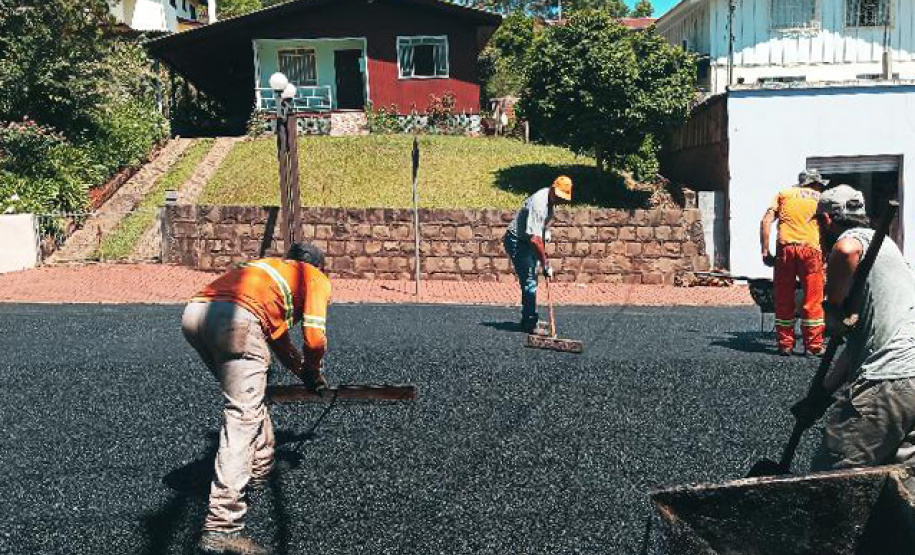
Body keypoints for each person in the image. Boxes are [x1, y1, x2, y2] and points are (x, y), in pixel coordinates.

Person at [182, 242, 331, 555]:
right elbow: (314, 337)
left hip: (196, 315)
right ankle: (222, 527)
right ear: (318, 265)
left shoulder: (267, 269)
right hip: (236, 321)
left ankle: (256, 472)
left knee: (249, 406)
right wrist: (313, 371)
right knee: (242, 416)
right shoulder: (313, 277)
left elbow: (277, 339)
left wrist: (299, 371)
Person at [792, 185, 915, 473]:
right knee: (900, 475)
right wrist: (821, 395)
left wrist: (833, 303)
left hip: (889, 377)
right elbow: (859, 345)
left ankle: (828, 518)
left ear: (825, 221)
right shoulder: (886, 247)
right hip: (910, 373)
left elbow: (846, 249)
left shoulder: (852, 241)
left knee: (835, 470)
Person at [759, 169, 828, 356]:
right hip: (811, 251)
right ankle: (813, 347)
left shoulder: (783, 194)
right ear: (814, 183)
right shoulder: (820, 198)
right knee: (813, 300)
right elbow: (827, 228)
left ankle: (785, 345)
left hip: (786, 249)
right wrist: (828, 257)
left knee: (784, 298)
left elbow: (766, 221)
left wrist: (765, 251)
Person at [503, 176, 573, 332]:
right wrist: (545, 263)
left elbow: (539, 229)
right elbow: (535, 240)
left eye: (564, 198)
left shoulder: (549, 200)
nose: (561, 201)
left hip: (528, 240)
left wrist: (545, 232)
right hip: (518, 241)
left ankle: (529, 316)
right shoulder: (539, 203)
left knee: (531, 280)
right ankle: (529, 322)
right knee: (529, 281)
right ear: (553, 189)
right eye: (559, 196)